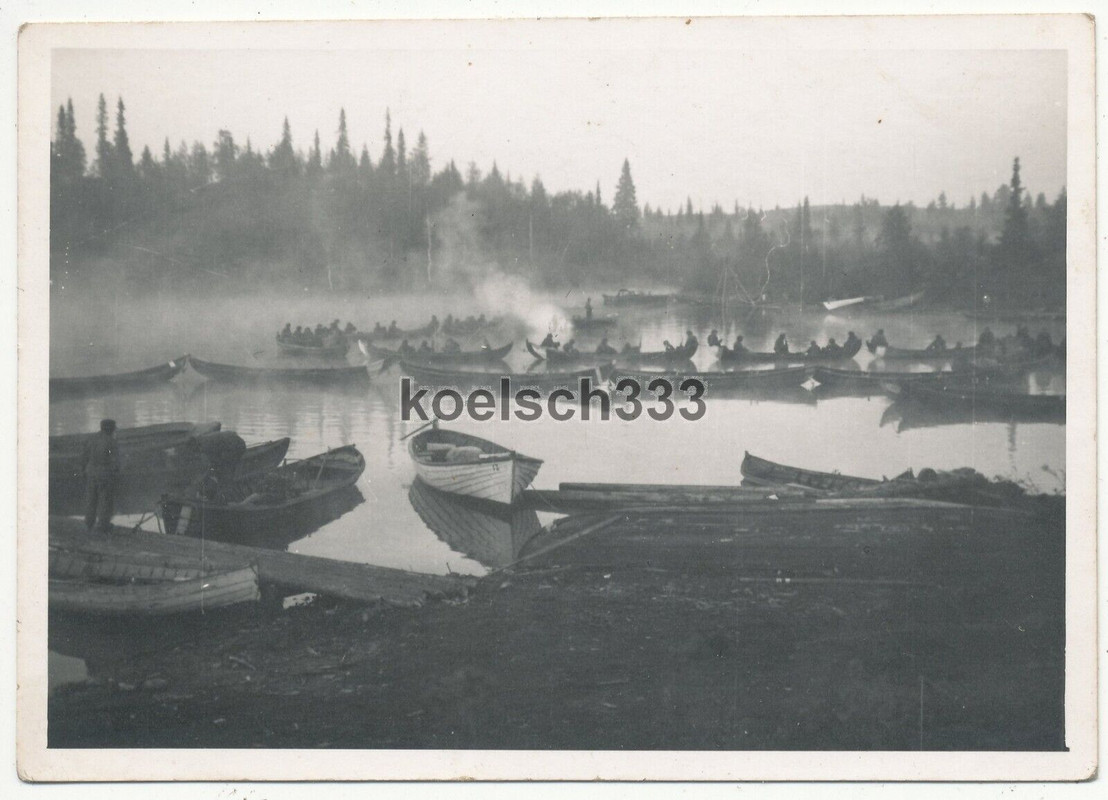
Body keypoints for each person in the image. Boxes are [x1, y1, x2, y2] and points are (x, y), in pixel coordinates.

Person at [83, 419, 120, 534]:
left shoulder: (92, 439)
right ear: (111, 429)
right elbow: (115, 460)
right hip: (104, 473)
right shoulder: (111, 442)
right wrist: (116, 471)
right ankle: (103, 525)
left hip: (90, 471)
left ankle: (89, 523)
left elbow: (84, 455)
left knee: (91, 498)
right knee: (105, 499)